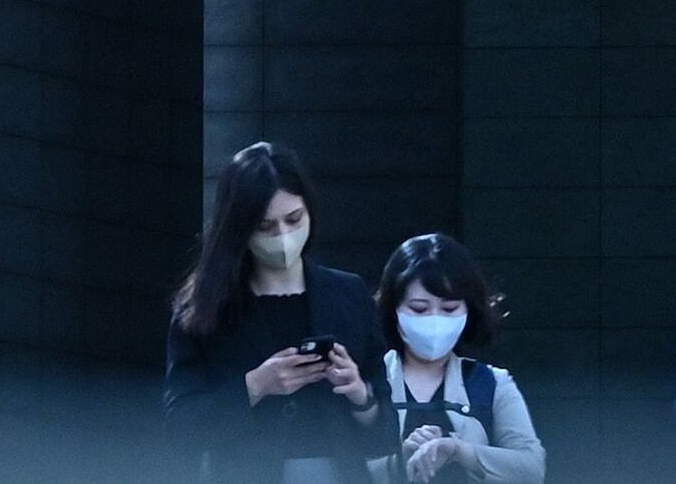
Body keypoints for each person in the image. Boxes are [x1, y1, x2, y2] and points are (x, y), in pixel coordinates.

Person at [162, 141, 383, 480]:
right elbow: (181, 424)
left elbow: (386, 429)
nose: (283, 236)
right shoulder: (205, 307)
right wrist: (256, 385)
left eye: (294, 219)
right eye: (265, 227)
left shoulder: (348, 295)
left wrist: (359, 393)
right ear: (240, 229)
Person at [371, 234, 542, 484]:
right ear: (393, 309)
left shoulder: (492, 383)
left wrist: (460, 451)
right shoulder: (367, 383)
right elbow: (334, 467)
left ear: (469, 310)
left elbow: (532, 468)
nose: (435, 319)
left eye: (449, 309)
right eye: (419, 309)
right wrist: (397, 463)